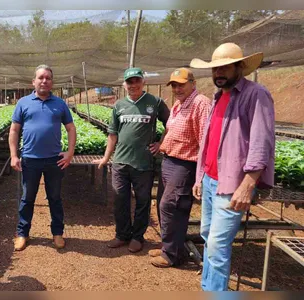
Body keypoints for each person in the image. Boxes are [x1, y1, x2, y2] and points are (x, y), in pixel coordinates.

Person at [190, 42, 275, 291]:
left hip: (232, 184)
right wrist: (200, 177)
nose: (219, 73)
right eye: (216, 68)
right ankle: (209, 288)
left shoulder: (255, 94)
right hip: (210, 181)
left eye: (225, 67)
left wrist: (248, 185)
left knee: (217, 245)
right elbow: (210, 142)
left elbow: (262, 142)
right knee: (208, 237)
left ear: (240, 67)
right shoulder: (219, 97)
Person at [94, 67, 170, 253]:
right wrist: (106, 158)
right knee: (120, 199)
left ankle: (138, 237)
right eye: (129, 82)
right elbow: (112, 134)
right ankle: (122, 235)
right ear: (125, 85)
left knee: (143, 201)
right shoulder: (119, 106)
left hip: (143, 162)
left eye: (136, 81)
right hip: (120, 161)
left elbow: (171, 124)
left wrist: (161, 144)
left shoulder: (155, 102)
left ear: (143, 82)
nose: (133, 85)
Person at [147, 68, 211, 268]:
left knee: (172, 206)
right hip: (169, 160)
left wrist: (200, 176)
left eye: (181, 84)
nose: (177, 88)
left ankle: (172, 255)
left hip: (185, 164)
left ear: (193, 83)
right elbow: (169, 129)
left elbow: (205, 141)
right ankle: (170, 246)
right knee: (163, 205)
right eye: (174, 85)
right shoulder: (178, 104)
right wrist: (161, 143)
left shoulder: (201, 103)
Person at [9, 64, 77, 251]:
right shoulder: (23, 103)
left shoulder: (60, 104)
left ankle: (57, 233)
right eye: (41, 77)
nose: (44, 81)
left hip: (54, 160)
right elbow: (14, 130)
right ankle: (23, 233)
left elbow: (71, 128)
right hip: (30, 159)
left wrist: (70, 152)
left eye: (48, 78)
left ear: (51, 82)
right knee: (27, 198)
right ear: (34, 81)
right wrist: (14, 155)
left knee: (55, 197)